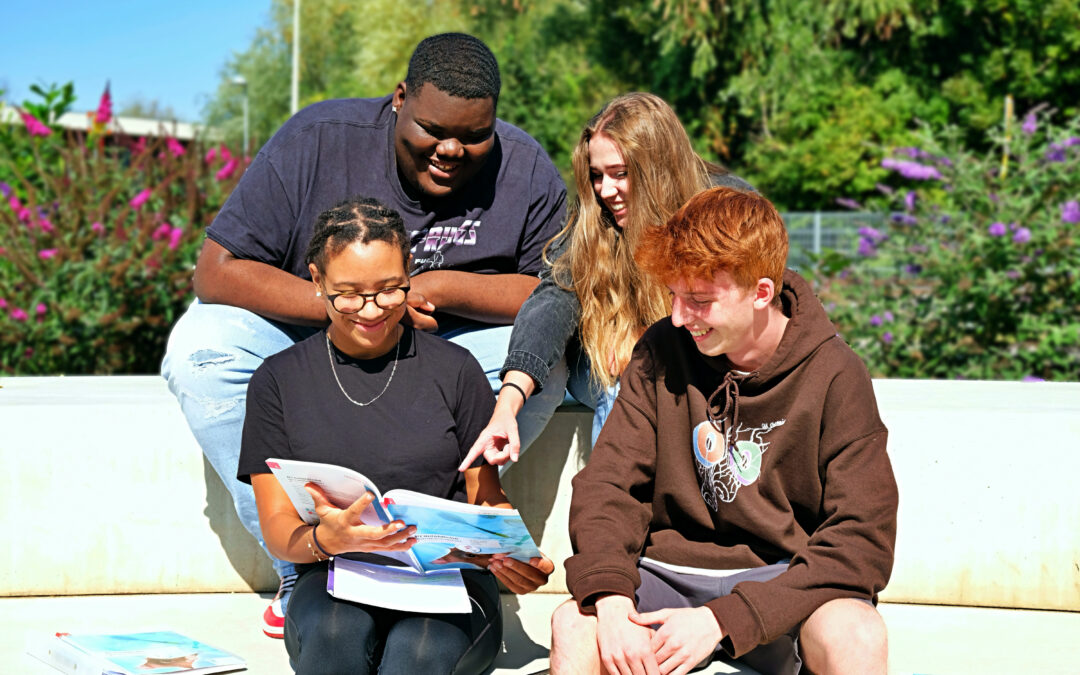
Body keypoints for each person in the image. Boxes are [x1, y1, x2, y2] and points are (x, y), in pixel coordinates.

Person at [160, 33, 567, 637]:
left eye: (474, 135)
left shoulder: (525, 165)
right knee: (200, 353)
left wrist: (439, 287)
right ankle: (303, 566)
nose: (452, 149)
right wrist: (352, 308)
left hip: (448, 357)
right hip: (318, 340)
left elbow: (559, 288)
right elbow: (216, 270)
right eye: (432, 128)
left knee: (543, 359)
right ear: (400, 98)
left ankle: (443, 555)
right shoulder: (318, 139)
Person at [550, 186, 898, 675]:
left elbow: (862, 540)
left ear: (761, 292)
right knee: (574, 625)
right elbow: (609, 485)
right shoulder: (662, 348)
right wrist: (608, 595)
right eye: (673, 295)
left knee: (856, 631)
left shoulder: (835, 372)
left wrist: (725, 618)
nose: (677, 317)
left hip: (779, 587)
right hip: (666, 578)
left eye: (698, 300)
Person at [237, 197, 554, 674]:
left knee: (419, 655)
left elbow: (485, 495)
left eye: (390, 289)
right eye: (349, 294)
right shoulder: (278, 382)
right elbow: (280, 528)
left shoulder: (456, 370)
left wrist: (508, 550)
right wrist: (327, 539)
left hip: (450, 577)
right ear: (317, 280)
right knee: (333, 640)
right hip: (336, 575)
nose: (372, 310)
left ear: (409, 270)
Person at [460, 92, 752, 470]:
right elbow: (552, 299)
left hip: (700, 353)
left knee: (651, 364)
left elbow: (753, 305)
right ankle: (610, 513)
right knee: (632, 379)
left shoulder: (727, 204)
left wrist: (656, 338)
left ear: (657, 167)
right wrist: (508, 403)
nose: (605, 191)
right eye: (596, 176)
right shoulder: (593, 216)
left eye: (620, 174)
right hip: (605, 361)